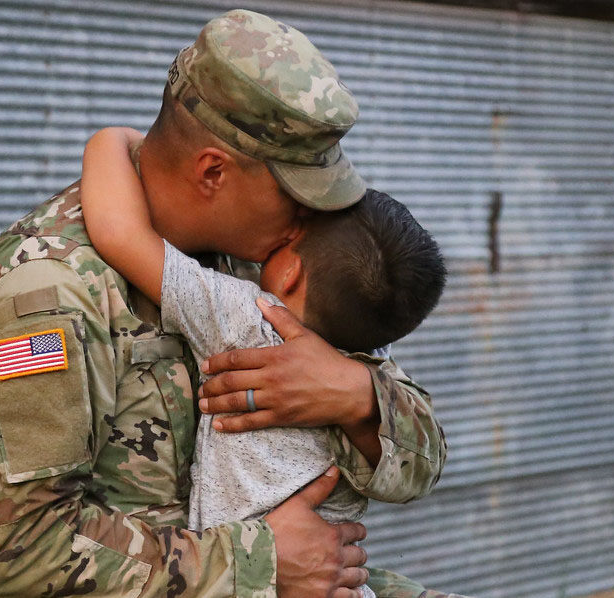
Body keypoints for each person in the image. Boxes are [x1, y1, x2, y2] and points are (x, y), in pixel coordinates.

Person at [0, 9, 453, 597]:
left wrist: (354, 394)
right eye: (298, 194)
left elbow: (423, 464)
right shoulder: (47, 292)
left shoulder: (259, 262)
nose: (315, 219)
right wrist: (260, 564)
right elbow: (14, 559)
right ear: (213, 172)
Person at [79, 123, 448, 598]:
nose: (287, 222)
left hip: (251, 584)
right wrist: (360, 390)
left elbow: (118, 230)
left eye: (295, 233)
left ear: (291, 269)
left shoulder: (244, 316)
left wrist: (110, 140)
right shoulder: (372, 352)